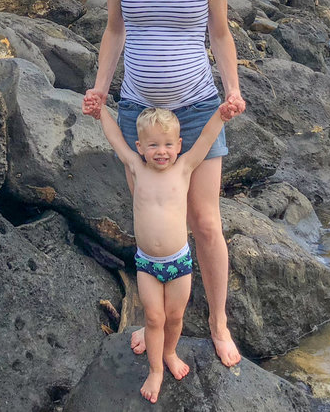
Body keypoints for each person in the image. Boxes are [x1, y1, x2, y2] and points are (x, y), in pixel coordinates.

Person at [81, 0, 246, 367]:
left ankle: (218, 323)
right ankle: (148, 318)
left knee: (204, 222)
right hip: (136, 111)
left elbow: (220, 35)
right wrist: (100, 88)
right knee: (149, 222)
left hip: (196, 108)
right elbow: (114, 31)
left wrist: (232, 89)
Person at [84, 100, 240, 403]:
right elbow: (116, 138)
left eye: (168, 144)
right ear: (140, 147)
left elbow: (206, 139)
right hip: (147, 264)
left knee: (174, 316)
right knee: (154, 318)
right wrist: (100, 110)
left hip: (179, 262)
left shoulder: (184, 168)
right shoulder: (136, 167)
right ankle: (155, 369)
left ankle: (170, 352)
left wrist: (222, 115)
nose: (162, 151)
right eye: (153, 145)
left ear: (179, 145)